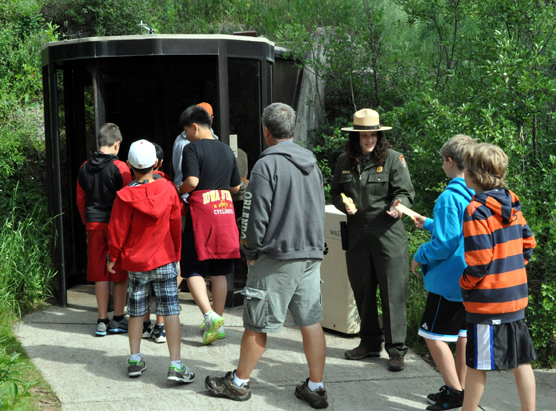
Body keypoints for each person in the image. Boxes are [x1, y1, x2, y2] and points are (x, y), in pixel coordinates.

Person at [205, 102, 328, 408]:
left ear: (266, 130)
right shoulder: (311, 163)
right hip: (310, 254)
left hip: (277, 256)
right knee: (310, 321)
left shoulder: (266, 165)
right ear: (293, 129)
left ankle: (238, 383)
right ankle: (316, 386)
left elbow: (254, 215)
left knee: (257, 323)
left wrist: (250, 250)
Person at [330, 108, 415, 371]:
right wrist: (345, 205)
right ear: (355, 137)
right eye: (364, 135)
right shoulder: (345, 160)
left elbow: (404, 192)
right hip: (357, 236)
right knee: (363, 290)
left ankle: (396, 349)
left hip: (388, 234)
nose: (369, 140)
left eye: (373, 135)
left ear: (379, 135)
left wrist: (398, 206)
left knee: (392, 292)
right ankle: (369, 342)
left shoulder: (393, 159)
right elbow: (335, 193)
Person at [107, 139, 195, 383]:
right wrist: (177, 253)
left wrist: (112, 257)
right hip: (165, 258)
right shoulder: (168, 189)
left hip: (136, 263)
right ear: (156, 163)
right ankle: (175, 365)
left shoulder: (124, 196)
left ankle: (135, 359)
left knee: (136, 312)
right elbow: (176, 223)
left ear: (129, 165)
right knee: (171, 312)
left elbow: (117, 230)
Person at [460, 143, 536, 411]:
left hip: (487, 301)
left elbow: (479, 262)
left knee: (477, 364)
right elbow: (529, 243)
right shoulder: (512, 204)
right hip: (515, 298)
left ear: (472, 175)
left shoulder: (475, 210)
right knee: (521, 361)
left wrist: (465, 285)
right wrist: (512, 269)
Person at [411, 135, 476, 410]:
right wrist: (428, 223)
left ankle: (454, 391)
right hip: (469, 278)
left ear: (450, 162)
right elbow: (458, 231)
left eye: (442, 160)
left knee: (432, 336)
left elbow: (446, 243)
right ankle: (458, 389)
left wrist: (419, 254)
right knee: (461, 336)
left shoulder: (449, 197)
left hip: (447, 281)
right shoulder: (475, 191)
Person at [178, 105, 241, 345]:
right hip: (224, 212)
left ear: (194, 127)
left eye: (186, 131)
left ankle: (209, 315)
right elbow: (235, 187)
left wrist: (178, 190)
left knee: (192, 268)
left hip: (202, 215)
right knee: (220, 270)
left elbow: (192, 181)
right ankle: (219, 320)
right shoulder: (226, 149)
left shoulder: (192, 148)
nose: (186, 136)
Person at [76, 123, 132, 336]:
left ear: (99, 143)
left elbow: (80, 199)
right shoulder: (121, 168)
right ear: (117, 144)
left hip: (93, 224)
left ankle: (101, 320)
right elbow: (128, 199)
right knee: (118, 272)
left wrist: (86, 221)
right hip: (116, 226)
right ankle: (118, 318)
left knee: (100, 273)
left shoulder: (84, 167)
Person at [172, 102, 218, 201]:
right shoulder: (184, 143)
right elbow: (183, 175)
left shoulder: (216, 141)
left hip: (199, 198)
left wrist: (178, 190)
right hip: (191, 198)